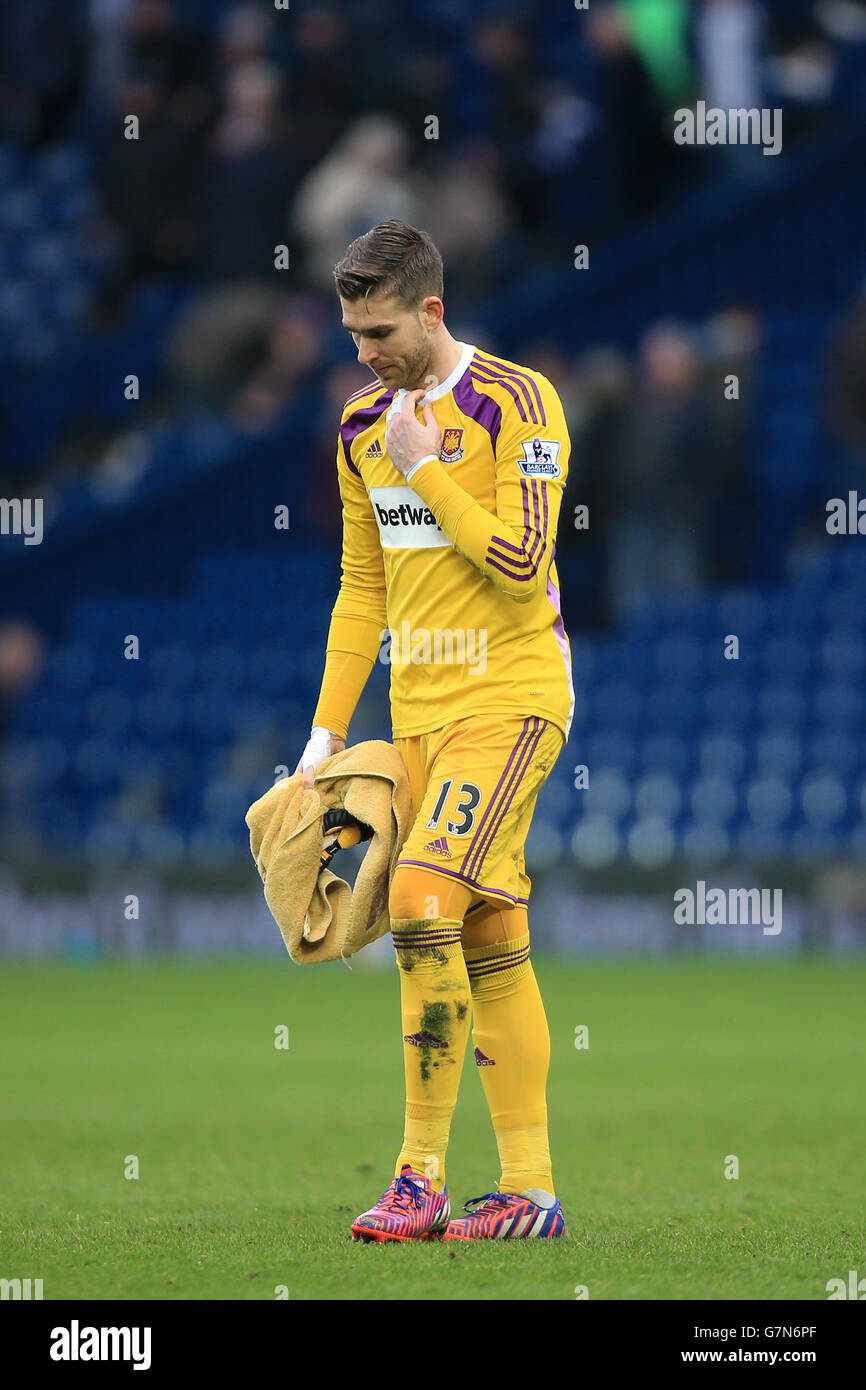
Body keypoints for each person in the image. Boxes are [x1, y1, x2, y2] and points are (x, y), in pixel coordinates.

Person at [295, 220, 574, 1242]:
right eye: (351, 333)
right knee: (489, 932)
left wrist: (425, 469)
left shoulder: (518, 399)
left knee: (418, 900)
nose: (364, 351)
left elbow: (519, 556)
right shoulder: (357, 424)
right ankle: (529, 1190)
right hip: (416, 717)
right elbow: (359, 590)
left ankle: (417, 1178)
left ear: (430, 309)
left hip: (511, 698)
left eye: (378, 329)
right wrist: (322, 742)